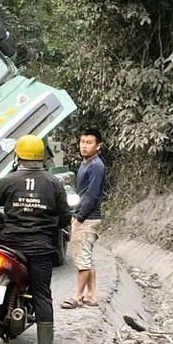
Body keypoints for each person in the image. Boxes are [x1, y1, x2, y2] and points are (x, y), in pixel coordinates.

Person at [0, 134, 71, 344]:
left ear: (18, 155)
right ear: (43, 157)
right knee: (42, 294)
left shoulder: (7, 181)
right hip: (40, 247)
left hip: (10, 243)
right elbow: (65, 217)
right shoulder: (53, 183)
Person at [62, 128, 106, 309]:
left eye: (89, 143)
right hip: (87, 216)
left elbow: (92, 196)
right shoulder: (86, 163)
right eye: (82, 142)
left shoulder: (96, 166)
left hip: (88, 218)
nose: (84, 146)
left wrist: (79, 218)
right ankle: (92, 296)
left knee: (82, 259)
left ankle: (77, 296)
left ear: (98, 146)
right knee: (87, 257)